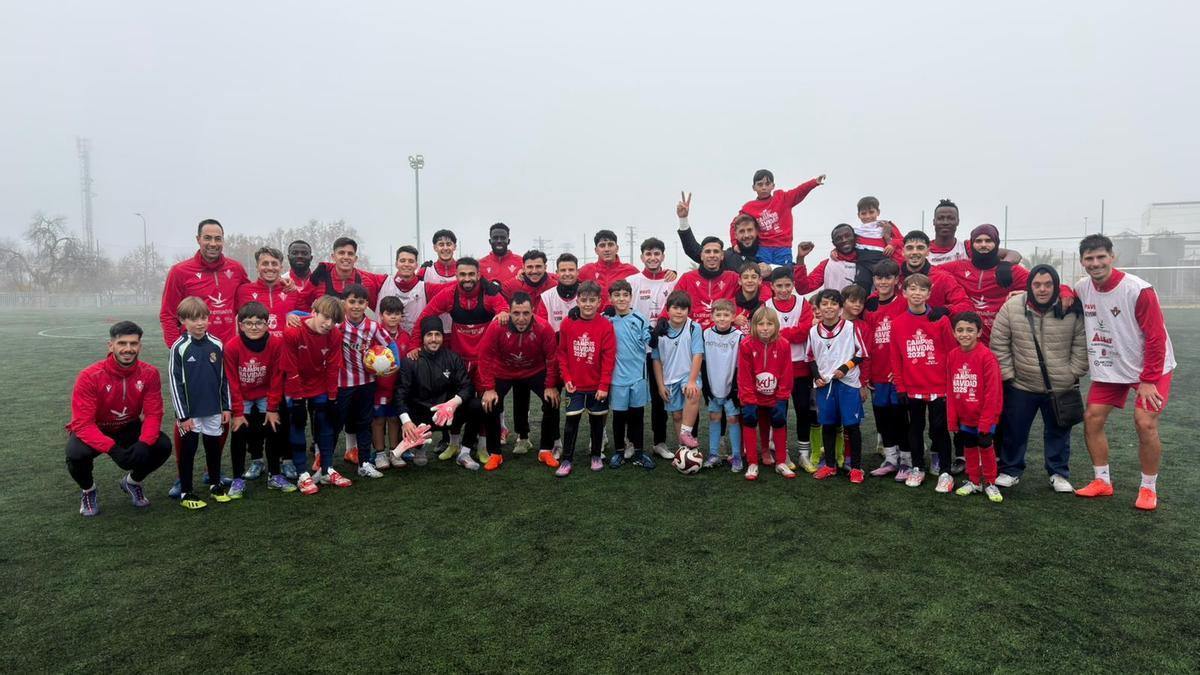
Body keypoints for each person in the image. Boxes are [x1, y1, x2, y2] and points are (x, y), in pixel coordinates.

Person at [1073, 234, 1176, 511]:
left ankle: (1148, 488)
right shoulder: (1083, 287)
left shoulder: (1138, 289)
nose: (1095, 264)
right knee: (1092, 418)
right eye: (1089, 259)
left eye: (1100, 257)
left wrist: (1149, 380)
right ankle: (1102, 481)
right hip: (1111, 367)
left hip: (1150, 368)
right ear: (1082, 261)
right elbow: (1065, 295)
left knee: (1145, 422)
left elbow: (1155, 338)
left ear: (1112, 256)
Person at [990, 264, 1087, 492]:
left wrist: (1072, 372)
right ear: (1029, 285)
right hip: (1022, 385)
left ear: (1055, 285)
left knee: (1059, 431)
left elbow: (1082, 344)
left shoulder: (1070, 308)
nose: (1042, 289)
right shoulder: (1012, 307)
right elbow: (999, 343)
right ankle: (1010, 470)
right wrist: (1009, 375)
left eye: (1048, 284)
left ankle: (1058, 472)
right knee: (1014, 430)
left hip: (1060, 386)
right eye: (1037, 284)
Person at [66, 321, 173, 517]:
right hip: (96, 429)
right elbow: (82, 424)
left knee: (162, 445)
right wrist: (112, 449)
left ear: (140, 346)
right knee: (76, 454)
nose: (128, 349)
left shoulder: (149, 373)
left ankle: (132, 482)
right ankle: (88, 490)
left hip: (128, 427)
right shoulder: (90, 376)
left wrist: (144, 442)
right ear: (111, 345)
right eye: (122, 343)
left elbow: (153, 413)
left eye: (133, 344)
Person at [478, 292, 560, 471]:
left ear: (532, 311)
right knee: (489, 403)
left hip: (534, 371)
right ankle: (495, 453)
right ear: (509, 312)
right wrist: (489, 388)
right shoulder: (497, 326)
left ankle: (545, 449)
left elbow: (552, 359)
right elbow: (484, 357)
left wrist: (551, 386)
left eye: (525, 313)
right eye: (516, 313)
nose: (521, 318)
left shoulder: (544, 327)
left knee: (552, 400)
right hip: (504, 371)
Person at [889, 274, 956, 492]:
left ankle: (945, 471)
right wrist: (900, 386)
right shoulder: (898, 323)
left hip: (939, 387)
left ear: (929, 293)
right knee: (915, 429)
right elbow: (896, 357)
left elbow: (952, 353)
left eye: (922, 290)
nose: (917, 293)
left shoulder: (941, 320)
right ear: (904, 292)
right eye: (912, 289)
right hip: (912, 387)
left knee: (939, 429)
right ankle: (918, 467)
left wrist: (950, 385)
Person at [168, 297, 232, 509]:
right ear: (183, 321)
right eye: (194, 319)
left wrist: (226, 406)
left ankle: (215, 485)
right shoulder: (179, 347)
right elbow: (174, 383)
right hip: (191, 413)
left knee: (213, 448)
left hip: (213, 409)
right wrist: (182, 415)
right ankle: (187, 491)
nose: (200, 323)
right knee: (189, 450)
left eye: (204, 318)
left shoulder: (217, 344)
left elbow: (224, 378)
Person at [395, 316, 483, 470]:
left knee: (476, 405)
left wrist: (452, 404)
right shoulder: (410, 361)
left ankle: (465, 452)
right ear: (423, 338)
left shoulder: (452, 358)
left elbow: (467, 386)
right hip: (422, 416)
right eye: (429, 335)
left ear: (443, 337)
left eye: (438, 334)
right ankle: (419, 447)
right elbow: (401, 394)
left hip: (447, 415)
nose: (434, 339)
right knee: (404, 413)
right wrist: (406, 421)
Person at [282, 295, 348, 495]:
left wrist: (332, 397)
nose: (329, 324)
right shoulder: (293, 331)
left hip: (319, 384)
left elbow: (332, 368)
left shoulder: (335, 335)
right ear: (314, 312)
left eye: (334, 321)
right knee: (298, 424)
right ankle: (302, 473)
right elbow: (290, 367)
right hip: (295, 384)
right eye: (325, 318)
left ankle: (326, 469)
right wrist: (298, 399)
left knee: (325, 423)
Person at [333, 283, 397, 479]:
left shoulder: (373, 326)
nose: (356, 306)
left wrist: (394, 364)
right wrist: (293, 316)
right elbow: (309, 318)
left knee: (364, 423)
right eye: (351, 302)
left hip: (367, 383)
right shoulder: (337, 325)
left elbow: (390, 343)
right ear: (344, 303)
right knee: (336, 424)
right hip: (342, 384)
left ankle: (364, 463)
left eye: (360, 302)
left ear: (366, 304)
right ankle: (325, 464)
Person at [224, 302, 287, 496]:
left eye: (259, 322)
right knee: (239, 431)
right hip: (242, 395)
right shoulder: (232, 346)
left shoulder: (276, 344)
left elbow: (277, 377)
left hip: (265, 393)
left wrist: (272, 407)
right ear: (240, 325)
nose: (254, 327)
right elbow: (232, 381)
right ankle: (237, 479)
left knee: (274, 427)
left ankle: (275, 475)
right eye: (248, 323)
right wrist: (238, 411)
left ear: (268, 324)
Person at [554, 281, 617, 476]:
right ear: (577, 301)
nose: (588, 304)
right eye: (584, 300)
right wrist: (567, 378)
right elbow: (562, 353)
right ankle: (566, 459)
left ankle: (596, 455)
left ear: (599, 302)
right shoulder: (567, 323)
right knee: (571, 422)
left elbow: (609, 358)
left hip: (597, 386)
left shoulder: (605, 325)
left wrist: (604, 385)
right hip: (575, 386)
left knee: (597, 422)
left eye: (592, 300)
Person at [807, 289, 868, 484]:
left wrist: (845, 367)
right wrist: (816, 377)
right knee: (828, 425)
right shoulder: (813, 331)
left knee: (852, 426)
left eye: (833, 304)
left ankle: (857, 468)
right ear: (818, 308)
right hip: (825, 385)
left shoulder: (850, 327)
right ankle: (830, 465)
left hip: (848, 383)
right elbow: (810, 357)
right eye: (824, 304)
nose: (829, 307)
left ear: (841, 308)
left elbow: (861, 354)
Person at [625, 237, 678, 458]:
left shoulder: (672, 281)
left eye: (657, 254)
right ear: (642, 257)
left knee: (660, 396)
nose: (653, 258)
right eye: (648, 254)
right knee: (635, 397)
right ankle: (632, 442)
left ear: (663, 256)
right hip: (637, 349)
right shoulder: (632, 281)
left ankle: (659, 442)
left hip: (663, 350)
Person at [159, 218, 249, 347]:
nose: (213, 244)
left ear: (223, 240)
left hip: (228, 349)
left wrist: (282, 283)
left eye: (218, 239)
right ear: (198, 239)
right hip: (194, 350)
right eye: (207, 238)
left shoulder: (236, 269)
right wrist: (176, 347)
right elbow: (168, 314)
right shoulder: (179, 271)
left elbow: (252, 295)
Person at [860, 260, 912, 479]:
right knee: (881, 416)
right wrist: (867, 373)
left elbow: (908, 337)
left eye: (888, 277)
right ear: (874, 280)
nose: (883, 281)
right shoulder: (869, 304)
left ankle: (907, 461)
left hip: (896, 373)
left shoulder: (903, 303)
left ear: (896, 280)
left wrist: (901, 369)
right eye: (879, 277)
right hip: (877, 372)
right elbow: (865, 340)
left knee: (900, 415)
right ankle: (890, 458)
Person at [938, 224, 1032, 345]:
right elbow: (931, 273)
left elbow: (1046, 285)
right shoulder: (957, 267)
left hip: (1001, 343)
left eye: (988, 241)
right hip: (966, 343)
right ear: (972, 244)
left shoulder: (1011, 271)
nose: (983, 244)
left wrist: (1065, 291)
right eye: (978, 241)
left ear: (997, 244)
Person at [946, 312, 1004, 502]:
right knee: (969, 447)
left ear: (979, 332)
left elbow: (993, 392)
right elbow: (951, 388)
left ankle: (990, 482)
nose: (965, 334)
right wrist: (952, 419)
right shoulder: (952, 356)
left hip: (984, 418)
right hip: (965, 416)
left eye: (970, 330)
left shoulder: (987, 357)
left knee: (986, 447)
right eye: (960, 330)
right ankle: (973, 481)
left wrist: (986, 422)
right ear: (954, 333)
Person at [764, 267, 816, 471]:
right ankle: (782, 453)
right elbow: (765, 332)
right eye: (779, 286)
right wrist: (789, 333)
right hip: (777, 369)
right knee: (779, 413)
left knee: (803, 410)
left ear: (793, 285)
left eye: (788, 285)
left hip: (801, 367)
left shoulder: (803, 303)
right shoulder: (766, 306)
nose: (784, 290)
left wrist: (780, 333)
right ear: (772, 287)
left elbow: (805, 331)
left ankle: (804, 454)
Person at [737, 306, 795, 481]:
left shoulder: (783, 344)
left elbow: (786, 373)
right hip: (753, 394)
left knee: (778, 420)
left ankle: (781, 462)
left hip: (775, 394)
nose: (765, 328)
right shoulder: (746, 344)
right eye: (760, 324)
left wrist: (782, 397)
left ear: (776, 325)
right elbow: (744, 375)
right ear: (754, 326)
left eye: (769, 324)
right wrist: (749, 399)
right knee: (749, 419)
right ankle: (753, 462)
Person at [603, 280, 655, 469]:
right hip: (617, 377)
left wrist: (656, 335)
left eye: (625, 295)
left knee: (637, 415)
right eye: (617, 295)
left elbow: (651, 339)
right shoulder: (606, 318)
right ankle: (618, 452)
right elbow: (589, 323)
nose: (621, 299)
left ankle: (639, 452)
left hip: (638, 376)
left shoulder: (640, 318)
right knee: (618, 416)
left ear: (631, 297)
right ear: (610, 298)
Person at [734, 169, 825, 266]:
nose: (764, 187)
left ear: (773, 186)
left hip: (783, 247)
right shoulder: (749, 207)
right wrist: (734, 243)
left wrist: (814, 182)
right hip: (763, 247)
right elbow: (735, 225)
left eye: (767, 184)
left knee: (783, 273)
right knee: (764, 274)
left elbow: (799, 191)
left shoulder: (783, 199)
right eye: (760, 185)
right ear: (754, 187)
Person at [653, 290, 705, 453]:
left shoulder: (693, 327)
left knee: (693, 392)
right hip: (669, 379)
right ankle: (682, 450)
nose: (679, 311)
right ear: (667, 310)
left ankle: (686, 433)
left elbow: (698, 355)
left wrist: (691, 380)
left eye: (683, 308)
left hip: (688, 375)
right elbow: (656, 360)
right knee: (676, 415)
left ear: (688, 311)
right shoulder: (660, 330)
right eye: (675, 308)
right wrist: (661, 385)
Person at [677, 193, 770, 275]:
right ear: (736, 235)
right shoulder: (726, 257)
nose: (746, 235)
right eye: (741, 231)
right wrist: (683, 219)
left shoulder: (769, 254)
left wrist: (771, 269)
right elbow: (693, 250)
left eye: (749, 230)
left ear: (757, 232)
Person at [703, 300, 744, 471]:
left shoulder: (739, 336)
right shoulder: (706, 334)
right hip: (713, 387)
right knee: (714, 417)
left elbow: (740, 366)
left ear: (733, 317)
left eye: (726, 315)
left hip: (731, 388)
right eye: (718, 315)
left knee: (733, 419)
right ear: (712, 316)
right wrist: (706, 388)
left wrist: (735, 389)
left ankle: (736, 456)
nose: (721, 318)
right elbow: (703, 362)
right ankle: (714, 455)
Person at [370, 296, 408, 471]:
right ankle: (379, 453)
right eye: (389, 313)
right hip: (378, 388)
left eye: (397, 313)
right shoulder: (375, 336)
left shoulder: (405, 337)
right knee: (378, 420)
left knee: (394, 419)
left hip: (397, 387)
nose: (393, 317)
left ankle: (395, 452)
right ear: (381, 315)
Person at [926, 199, 1022, 266]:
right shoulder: (922, 250)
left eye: (950, 218)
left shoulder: (967, 247)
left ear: (958, 221)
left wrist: (1004, 266)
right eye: (941, 218)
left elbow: (1014, 254)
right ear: (934, 221)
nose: (945, 222)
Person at [672, 237, 741, 329]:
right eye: (707, 252)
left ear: (722, 256)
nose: (712, 255)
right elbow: (672, 303)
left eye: (716, 251)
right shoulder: (687, 278)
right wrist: (663, 319)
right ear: (701, 256)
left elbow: (750, 296)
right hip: (693, 335)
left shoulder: (733, 278)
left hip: (723, 335)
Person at [300, 237, 387, 309]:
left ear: (355, 258)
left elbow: (388, 281)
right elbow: (301, 303)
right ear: (333, 257)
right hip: (325, 329)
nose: (346, 257)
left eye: (350, 254)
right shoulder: (319, 278)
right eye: (341, 253)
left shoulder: (365, 282)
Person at [235, 246, 297, 339]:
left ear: (281, 267)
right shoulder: (243, 291)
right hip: (255, 351)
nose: (270, 267)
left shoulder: (292, 291)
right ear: (257, 267)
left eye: (274, 264)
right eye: (265, 263)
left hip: (285, 351)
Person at [377, 245, 434, 337]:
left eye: (411, 261)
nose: (406, 264)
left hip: (413, 346)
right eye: (402, 261)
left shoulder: (425, 288)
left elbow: (451, 287)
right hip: (382, 345)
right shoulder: (381, 281)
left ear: (416, 265)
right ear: (396, 263)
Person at [850, 196, 903, 291]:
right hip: (863, 264)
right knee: (862, 287)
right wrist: (835, 252)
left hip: (882, 263)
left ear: (878, 212)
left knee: (883, 289)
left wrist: (892, 244)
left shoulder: (887, 226)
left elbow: (903, 241)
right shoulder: (855, 231)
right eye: (863, 213)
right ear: (858, 215)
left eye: (871, 212)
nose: (868, 216)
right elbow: (846, 245)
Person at [793, 224, 859, 295]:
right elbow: (803, 289)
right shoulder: (827, 265)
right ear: (834, 243)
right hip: (834, 306)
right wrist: (800, 258)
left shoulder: (868, 261)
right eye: (838, 238)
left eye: (847, 236)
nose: (844, 240)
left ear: (855, 237)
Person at [502, 250, 557, 316]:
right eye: (530, 267)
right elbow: (500, 309)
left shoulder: (555, 287)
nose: (534, 271)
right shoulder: (509, 287)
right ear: (523, 268)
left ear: (545, 268)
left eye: (538, 266)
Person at [538, 253, 582, 332]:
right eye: (563, 270)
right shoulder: (546, 298)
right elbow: (541, 328)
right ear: (557, 273)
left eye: (571, 270)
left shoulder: (587, 294)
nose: (567, 274)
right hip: (554, 343)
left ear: (577, 272)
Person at [418, 229, 460, 300]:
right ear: (435, 248)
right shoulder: (425, 272)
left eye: (449, 244)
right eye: (441, 244)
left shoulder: (464, 271)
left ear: (455, 247)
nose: (445, 248)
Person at [284, 240, 317, 310]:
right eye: (295, 253)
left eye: (304, 253)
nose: (299, 256)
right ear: (288, 257)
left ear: (311, 258)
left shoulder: (320, 281)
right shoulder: (281, 281)